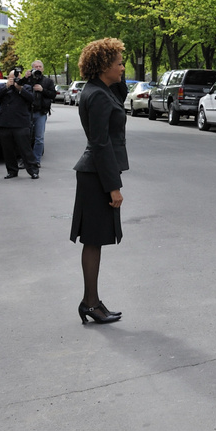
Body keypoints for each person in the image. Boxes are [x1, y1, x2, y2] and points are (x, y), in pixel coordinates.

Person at [71, 37, 128, 324]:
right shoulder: (97, 96)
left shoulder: (101, 90)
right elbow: (100, 143)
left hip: (96, 173)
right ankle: (90, 304)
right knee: (93, 240)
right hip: (96, 175)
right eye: (119, 63)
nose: (123, 68)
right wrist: (113, 186)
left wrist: (117, 73)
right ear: (104, 66)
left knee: (96, 240)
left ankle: (92, 302)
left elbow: (121, 95)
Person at [0, 68, 40, 179]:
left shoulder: (26, 87)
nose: (14, 80)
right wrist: (7, 86)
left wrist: (20, 88)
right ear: (8, 78)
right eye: (12, 78)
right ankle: (12, 171)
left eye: (17, 77)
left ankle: (33, 170)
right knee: (7, 150)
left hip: (20, 123)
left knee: (25, 149)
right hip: (5, 123)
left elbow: (31, 98)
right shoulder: (2, 87)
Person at [21, 60, 56, 166]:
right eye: (36, 67)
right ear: (32, 68)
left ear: (43, 69)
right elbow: (19, 89)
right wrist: (25, 78)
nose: (38, 68)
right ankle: (25, 160)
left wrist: (42, 90)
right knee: (25, 137)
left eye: (40, 66)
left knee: (39, 138)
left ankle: (36, 160)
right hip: (27, 112)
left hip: (41, 112)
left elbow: (53, 95)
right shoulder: (28, 80)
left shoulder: (48, 81)